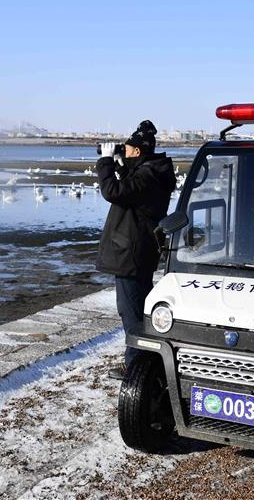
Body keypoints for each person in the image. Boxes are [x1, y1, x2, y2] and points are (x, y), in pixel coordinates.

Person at [96, 120, 177, 380]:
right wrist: (121, 162)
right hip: (139, 252)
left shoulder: (148, 175)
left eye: (128, 149)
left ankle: (136, 367)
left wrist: (106, 161)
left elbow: (113, 191)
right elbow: (130, 188)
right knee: (139, 308)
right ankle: (149, 361)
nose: (125, 151)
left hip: (130, 254)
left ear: (138, 152)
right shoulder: (152, 172)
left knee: (131, 312)